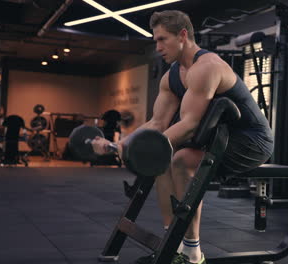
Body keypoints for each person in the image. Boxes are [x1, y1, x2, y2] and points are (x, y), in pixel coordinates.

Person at [92, 10, 274, 264]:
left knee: (181, 160)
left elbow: (189, 125)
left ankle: (192, 252)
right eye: (155, 40)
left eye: (162, 39)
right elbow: (157, 123)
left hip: (251, 142)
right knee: (165, 160)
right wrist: (122, 144)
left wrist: (143, 149)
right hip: (219, 139)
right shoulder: (172, 76)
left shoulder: (207, 67)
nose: (157, 47)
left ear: (183, 36)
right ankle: (172, 245)